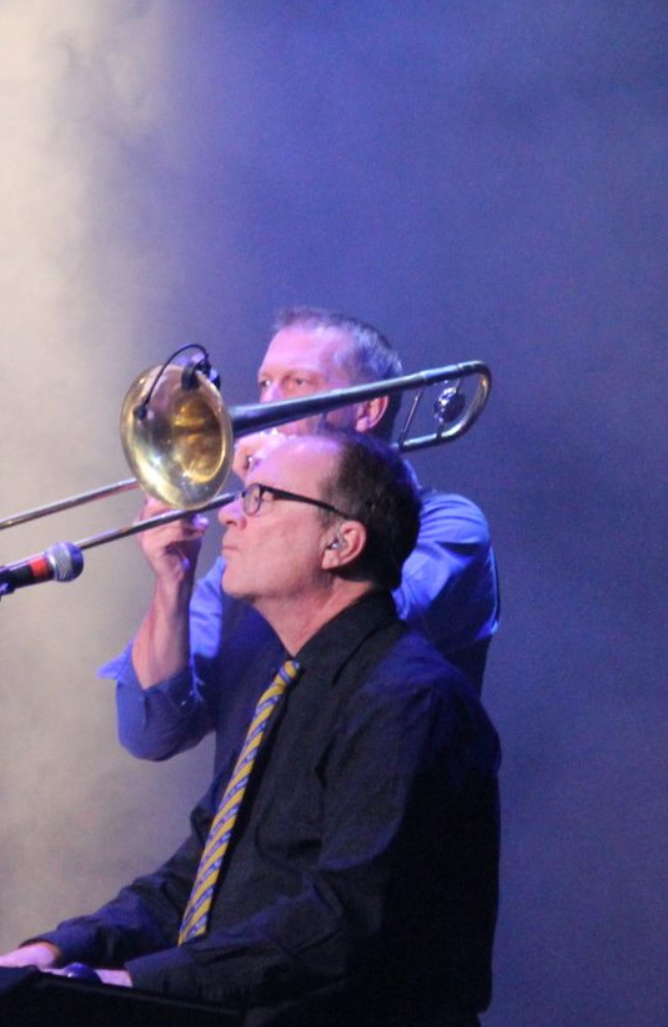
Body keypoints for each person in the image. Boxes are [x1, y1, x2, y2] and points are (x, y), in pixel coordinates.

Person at [0, 430, 500, 1027]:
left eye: (262, 497)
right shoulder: (284, 688)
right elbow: (195, 879)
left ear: (341, 543)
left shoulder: (408, 701)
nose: (229, 513)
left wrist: (132, 987)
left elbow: (341, 921)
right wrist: (49, 951)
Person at [104, 308, 498, 765]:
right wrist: (173, 583)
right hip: (247, 832)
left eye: (298, 383)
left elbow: (371, 624)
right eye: (265, 383)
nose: (269, 408)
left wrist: (294, 489)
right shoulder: (244, 561)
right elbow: (150, 732)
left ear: (367, 409)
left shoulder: (451, 526)